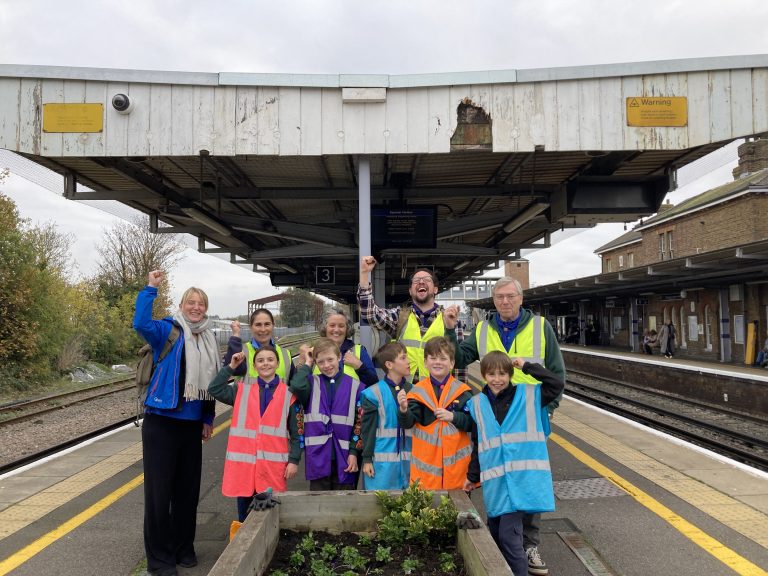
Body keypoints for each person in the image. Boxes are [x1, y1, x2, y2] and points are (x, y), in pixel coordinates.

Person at [455, 277, 565, 576]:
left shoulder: (541, 327)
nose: (505, 301)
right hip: (495, 413)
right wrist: (451, 329)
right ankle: (509, 544)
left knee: (527, 477)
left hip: (531, 413)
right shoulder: (481, 329)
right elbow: (458, 357)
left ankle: (528, 545)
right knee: (502, 475)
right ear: (493, 301)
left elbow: (557, 372)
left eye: (510, 296)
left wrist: (548, 409)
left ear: (520, 298)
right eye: (499, 297)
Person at [133, 270, 217, 576]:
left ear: (205, 308)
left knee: (187, 492)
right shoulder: (167, 331)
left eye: (201, 303)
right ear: (182, 305)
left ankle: (184, 548)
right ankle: (159, 559)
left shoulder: (208, 338)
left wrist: (208, 417)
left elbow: (212, 382)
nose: (196, 307)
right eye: (191, 302)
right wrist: (150, 288)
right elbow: (140, 323)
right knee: (159, 496)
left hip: (191, 427)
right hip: (162, 424)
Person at [463, 352, 564, 576]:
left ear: (510, 374)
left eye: (502, 374)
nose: (497, 379)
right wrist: (471, 477)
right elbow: (479, 445)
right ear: (483, 375)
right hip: (495, 486)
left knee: (510, 539)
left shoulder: (529, 395)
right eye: (491, 374)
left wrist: (527, 366)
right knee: (496, 537)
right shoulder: (477, 405)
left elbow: (556, 383)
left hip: (521, 484)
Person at [207, 347, 300, 524]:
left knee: (271, 516)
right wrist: (231, 367)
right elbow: (214, 388)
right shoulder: (241, 390)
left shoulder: (289, 394)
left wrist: (294, 460)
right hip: (245, 469)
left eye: (270, 360)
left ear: (278, 364)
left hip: (272, 468)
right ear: (254, 366)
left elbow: (296, 433)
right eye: (261, 360)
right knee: (244, 517)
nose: (266, 363)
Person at [358, 256, 460, 381]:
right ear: (411, 291)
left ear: (435, 289)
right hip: (405, 392)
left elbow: (458, 362)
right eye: (416, 280)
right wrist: (364, 275)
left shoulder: (449, 319)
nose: (421, 282)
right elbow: (370, 314)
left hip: (437, 394)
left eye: (427, 279)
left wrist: (459, 395)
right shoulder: (400, 317)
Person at [397, 337, 473, 490]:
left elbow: (472, 424)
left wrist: (454, 417)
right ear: (425, 362)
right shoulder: (417, 392)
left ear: (452, 364)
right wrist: (404, 410)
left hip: (457, 476)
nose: (437, 362)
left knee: (460, 513)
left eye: (443, 358)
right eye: (433, 358)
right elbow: (408, 423)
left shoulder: (463, 392)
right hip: (426, 477)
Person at [290, 337, 365, 490]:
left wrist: (354, 452)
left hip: (344, 457)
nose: (326, 365)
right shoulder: (310, 383)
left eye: (330, 359)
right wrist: (307, 363)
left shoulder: (357, 386)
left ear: (339, 357)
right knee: (319, 504)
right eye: (321, 362)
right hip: (318, 457)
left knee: (343, 504)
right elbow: (296, 385)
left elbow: (360, 423)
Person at [360, 342, 413, 490]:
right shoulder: (373, 394)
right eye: (403, 358)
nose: (408, 361)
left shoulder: (414, 391)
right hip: (382, 466)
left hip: (410, 464)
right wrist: (367, 459)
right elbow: (368, 430)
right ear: (389, 364)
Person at [224, 308, 295, 382]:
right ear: (250, 327)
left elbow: (294, 388)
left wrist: (302, 365)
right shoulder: (241, 352)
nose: (263, 329)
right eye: (258, 325)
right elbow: (229, 371)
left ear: (273, 325)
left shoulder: (285, 354)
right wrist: (236, 336)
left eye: (267, 324)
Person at [316, 308, 379, 386]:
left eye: (341, 326)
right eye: (332, 325)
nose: (336, 330)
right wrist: (302, 364)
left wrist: (359, 366)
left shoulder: (359, 351)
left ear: (347, 329)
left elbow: (374, 383)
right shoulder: (314, 352)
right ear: (325, 328)